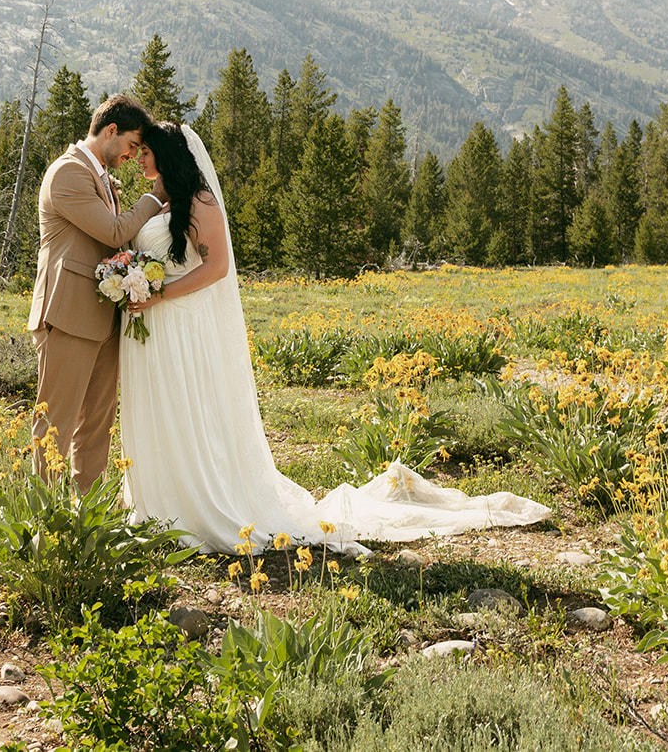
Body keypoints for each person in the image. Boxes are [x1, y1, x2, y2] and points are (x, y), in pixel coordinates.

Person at [119, 122, 550, 553]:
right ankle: (158, 507)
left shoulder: (199, 201)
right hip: (152, 331)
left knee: (188, 410)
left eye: (145, 152)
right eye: (136, 152)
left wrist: (159, 294)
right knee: (161, 407)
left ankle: (198, 508)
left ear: (168, 155)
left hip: (182, 326)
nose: (138, 158)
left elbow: (215, 269)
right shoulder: (159, 203)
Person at [27, 94, 166, 492]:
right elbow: (112, 231)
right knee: (56, 422)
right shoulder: (67, 172)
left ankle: (86, 516)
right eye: (132, 145)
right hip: (68, 314)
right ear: (110, 131)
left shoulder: (102, 176)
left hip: (104, 317)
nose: (132, 155)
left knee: (98, 425)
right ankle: (45, 521)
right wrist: (156, 196)